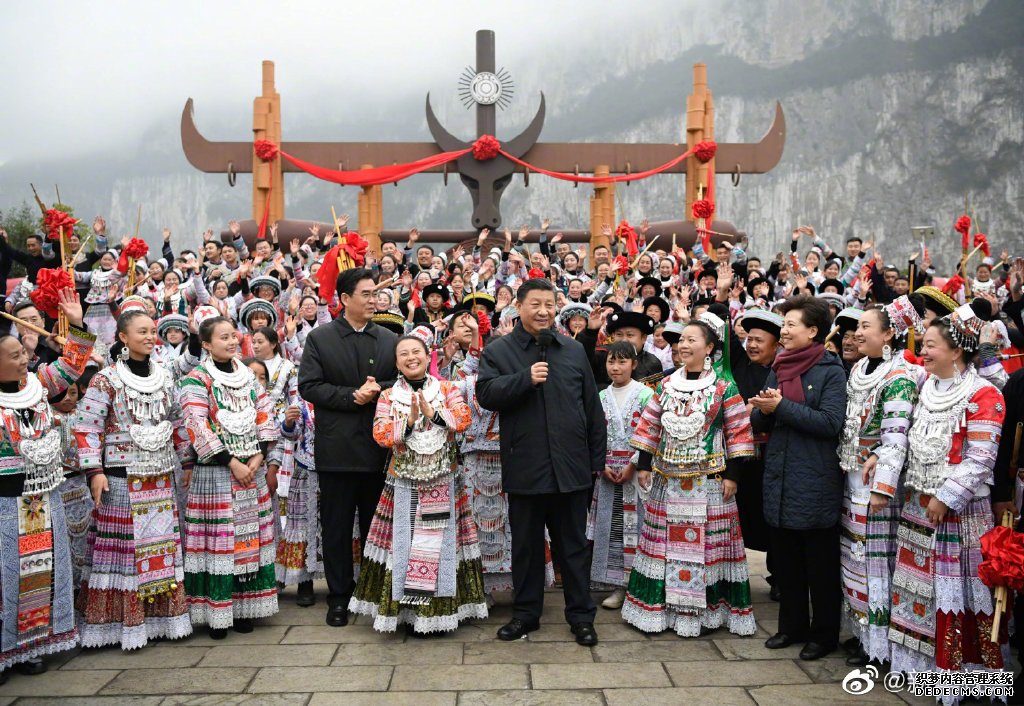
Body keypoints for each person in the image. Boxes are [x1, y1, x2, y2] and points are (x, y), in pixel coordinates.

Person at [477, 277, 605, 646]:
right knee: (527, 547)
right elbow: (486, 394)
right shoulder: (499, 352)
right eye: (536, 304)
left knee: (573, 547)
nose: (544, 311)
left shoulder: (573, 349)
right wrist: (523, 379)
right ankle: (526, 614)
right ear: (519, 307)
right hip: (526, 467)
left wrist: (595, 460)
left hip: (572, 468)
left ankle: (581, 616)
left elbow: (592, 409)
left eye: (550, 304)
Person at [889, 304, 1008, 689]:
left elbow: (981, 459)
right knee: (918, 589)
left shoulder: (984, 394)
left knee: (956, 593)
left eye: (930, 345)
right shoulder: (926, 386)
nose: (923, 353)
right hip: (918, 509)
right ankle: (921, 672)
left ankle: (963, 680)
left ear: (956, 351)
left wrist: (946, 497)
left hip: (958, 513)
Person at [624, 318, 756, 637]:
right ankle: (665, 611)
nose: (684, 345)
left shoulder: (724, 386)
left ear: (710, 348)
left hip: (709, 480)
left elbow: (739, 431)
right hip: (668, 481)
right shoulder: (667, 385)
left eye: (692, 340)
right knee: (665, 546)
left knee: (706, 548)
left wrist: (733, 475)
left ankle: (706, 614)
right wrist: (643, 465)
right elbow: (650, 426)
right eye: (681, 340)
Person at [349, 328, 486, 634]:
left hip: (443, 478)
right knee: (405, 544)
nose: (411, 358)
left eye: (417, 352)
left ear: (428, 357)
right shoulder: (387, 396)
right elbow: (381, 434)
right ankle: (405, 614)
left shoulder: (447, 388)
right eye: (404, 355)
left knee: (440, 544)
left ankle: (438, 614)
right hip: (404, 481)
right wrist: (409, 422)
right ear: (396, 363)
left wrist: (433, 413)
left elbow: (463, 419)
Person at [75, 310, 193, 649]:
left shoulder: (166, 376)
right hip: (121, 477)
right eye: (141, 331)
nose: (149, 336)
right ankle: (120, 623)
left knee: (160, 547)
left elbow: (179, 419)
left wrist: (186, 461)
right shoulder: (106, 379)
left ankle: (161, 620)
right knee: (126, 551)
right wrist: (94, 471)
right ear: (123, 337)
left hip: (160, 474)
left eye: (152, 330)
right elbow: (87, 426)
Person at [0, 288, 93, 680]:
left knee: (38, 573)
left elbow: (72, 365)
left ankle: (29, 645)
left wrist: (78, 324)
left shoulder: (38, 384)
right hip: (5, 500)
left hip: (43, 494)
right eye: (15, 355)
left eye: (23, 354)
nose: (24, 359)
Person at [298, 268, 398, 627]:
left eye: (376, 294)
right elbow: (309, 386)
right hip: (337, 448)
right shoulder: (320, 339)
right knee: (337, 527)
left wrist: (379, 389)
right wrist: (351, 396)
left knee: (378, 526)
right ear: (344, 299)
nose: (375, 300)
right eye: (368, 294)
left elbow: (402, 381)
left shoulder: (388, 339)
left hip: (379, 448)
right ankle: (339, 595)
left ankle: (374, 592)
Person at [750, 294, 847, 661]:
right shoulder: (780, 364)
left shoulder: (831, 370)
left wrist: (781, 407)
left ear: (813, 330)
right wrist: (762, 411)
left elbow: (829, 423)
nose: (784, 330)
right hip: (780, 475)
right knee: (786, 562)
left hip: (815, 478)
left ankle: (823, 635)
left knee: (819, 565)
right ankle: (790, 627)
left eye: (791, 324)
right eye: (784, 323)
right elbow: (765, 419)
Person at [178, 317, 280, 638]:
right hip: (217, 473)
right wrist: (231, 461)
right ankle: (216, 610)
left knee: (247, 539)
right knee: (219, 541)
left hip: (252, 470)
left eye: (234, 335)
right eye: (224, 337)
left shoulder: (249, 375)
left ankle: (243, 605)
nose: (232, 341)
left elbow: (265, 413)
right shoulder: (196, 379)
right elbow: (197, 425)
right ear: (206, 344)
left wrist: (259, 455)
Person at [838, 297, 922, 667]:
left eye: (866, 327)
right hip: (850, 475)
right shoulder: (860, 370)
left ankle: (882, 646)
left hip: (875, 485)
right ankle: (861, 634)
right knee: (853, 559)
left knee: (876, 561)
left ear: (889, 334)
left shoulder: (900, 377)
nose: (857, 333)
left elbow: (896, 438)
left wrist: (883, 488)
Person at [588, 342, 653, 610]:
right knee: (613, 530)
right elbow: (591, 433)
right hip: (607, 471)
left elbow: (651, 433)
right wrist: (599, 462)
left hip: (634, 473)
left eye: (622, 362)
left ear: (634, 364)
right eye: (611, 362)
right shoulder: (600, 397)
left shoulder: (646, 395)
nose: (616, 367)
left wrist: (634, 464)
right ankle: (617, 584)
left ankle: (639, 584)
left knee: (637, 529)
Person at [731, 309, 783, 600]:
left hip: (770, 456)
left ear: (776, 346)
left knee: (773, 518)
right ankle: (733, 576)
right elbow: (724, 337)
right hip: (740, 458)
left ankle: (778, 577)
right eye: (749, 339)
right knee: (738, 515)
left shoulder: (783, 371)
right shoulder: (740, 365)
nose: (752, 345)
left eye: (759, 341)